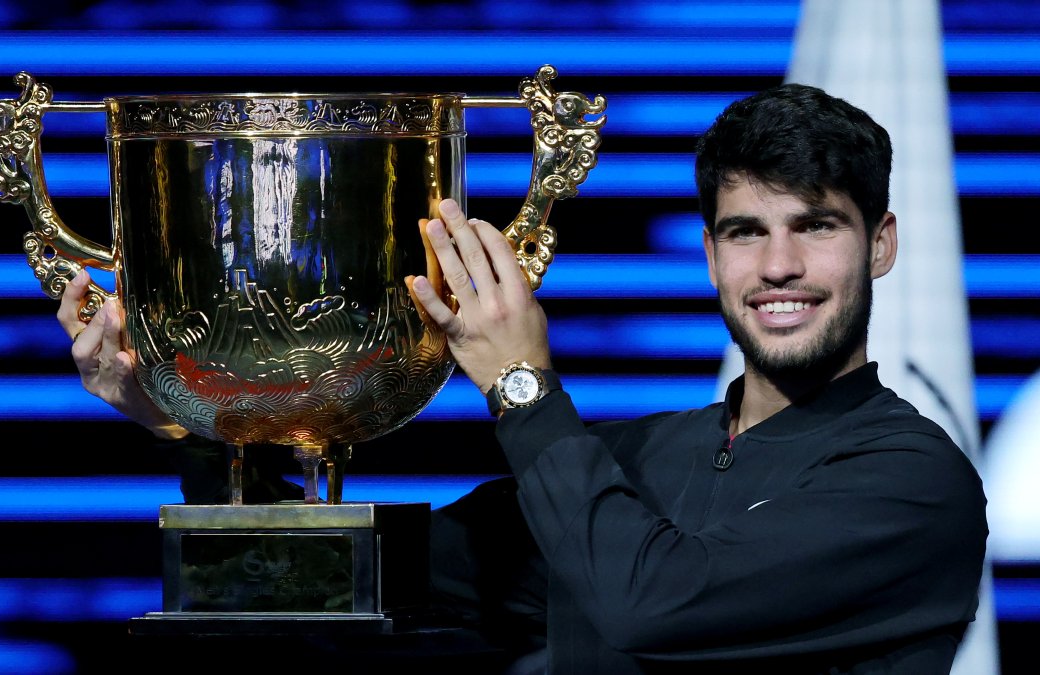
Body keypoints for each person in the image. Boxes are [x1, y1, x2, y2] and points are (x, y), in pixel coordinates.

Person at [58, 84, 987, 673]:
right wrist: (196, 416)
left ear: (881, 245)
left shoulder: (913, 480)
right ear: (711, 256)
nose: (779, 264)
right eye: (748, 231)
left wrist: (519, 383)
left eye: (816, 226)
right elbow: (317, 582)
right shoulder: (631, 460)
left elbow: (651, 606)